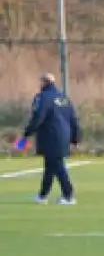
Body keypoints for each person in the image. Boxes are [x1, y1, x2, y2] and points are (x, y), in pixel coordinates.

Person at [18, 73, 80, 205]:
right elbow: (73, 119)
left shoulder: (42, 97)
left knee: (57, 166)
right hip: (64, 136)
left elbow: (38, 117)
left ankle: (68, 196)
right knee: (50, 166)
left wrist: (26, 134)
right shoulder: (64, 97)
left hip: (50, 137)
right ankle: (42, 195)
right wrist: (75, 138)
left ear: (43, 83)